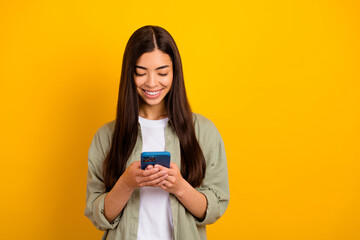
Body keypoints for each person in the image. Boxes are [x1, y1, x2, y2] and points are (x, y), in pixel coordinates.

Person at [85, 25, 230, 240]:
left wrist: (179, 186)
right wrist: (126, 183)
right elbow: (97, 216)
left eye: (162, 72)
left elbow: (215, 208)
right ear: (129, 74)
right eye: (141, 73)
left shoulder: (204, 132)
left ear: (175, 72)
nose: (152, 83)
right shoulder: (106, 136)